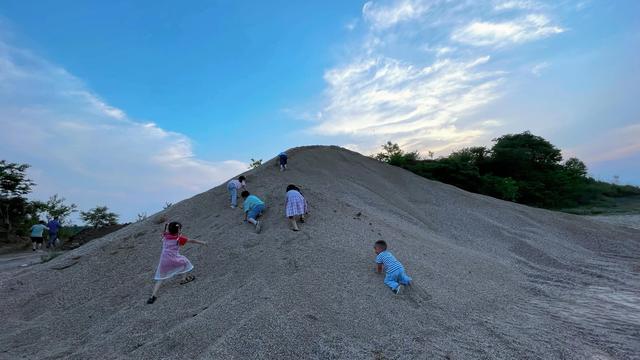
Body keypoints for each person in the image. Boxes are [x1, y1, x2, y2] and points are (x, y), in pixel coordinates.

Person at [147, 221, 207, 304]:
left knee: (161, 278)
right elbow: (192, 240)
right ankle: (184, 279)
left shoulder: (165, 236)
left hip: (164, 260)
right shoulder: (179, 238)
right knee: (185, 263)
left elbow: (165, 231)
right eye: (180, 228)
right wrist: (203, 242)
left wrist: (169, 226)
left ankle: (152, 296)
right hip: (174, 258)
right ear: (178, 229)